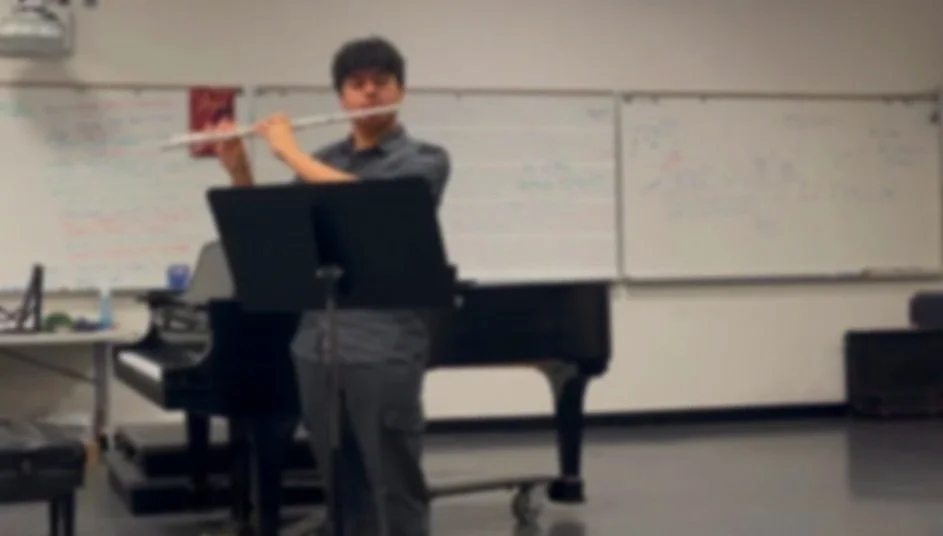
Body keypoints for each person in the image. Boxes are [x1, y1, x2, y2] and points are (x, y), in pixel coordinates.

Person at [208, 36, 450, 536]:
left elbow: (374, 207)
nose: (368, 92)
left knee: (395, 484)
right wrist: (240, 168)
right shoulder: (323, 158)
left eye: (380, 82)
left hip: (384, 346)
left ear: (400, 90)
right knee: (341, 488)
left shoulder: (424, 159)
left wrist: (287, 151)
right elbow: (274, 235)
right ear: (342, 96)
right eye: (356, 84)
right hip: (316, 344)